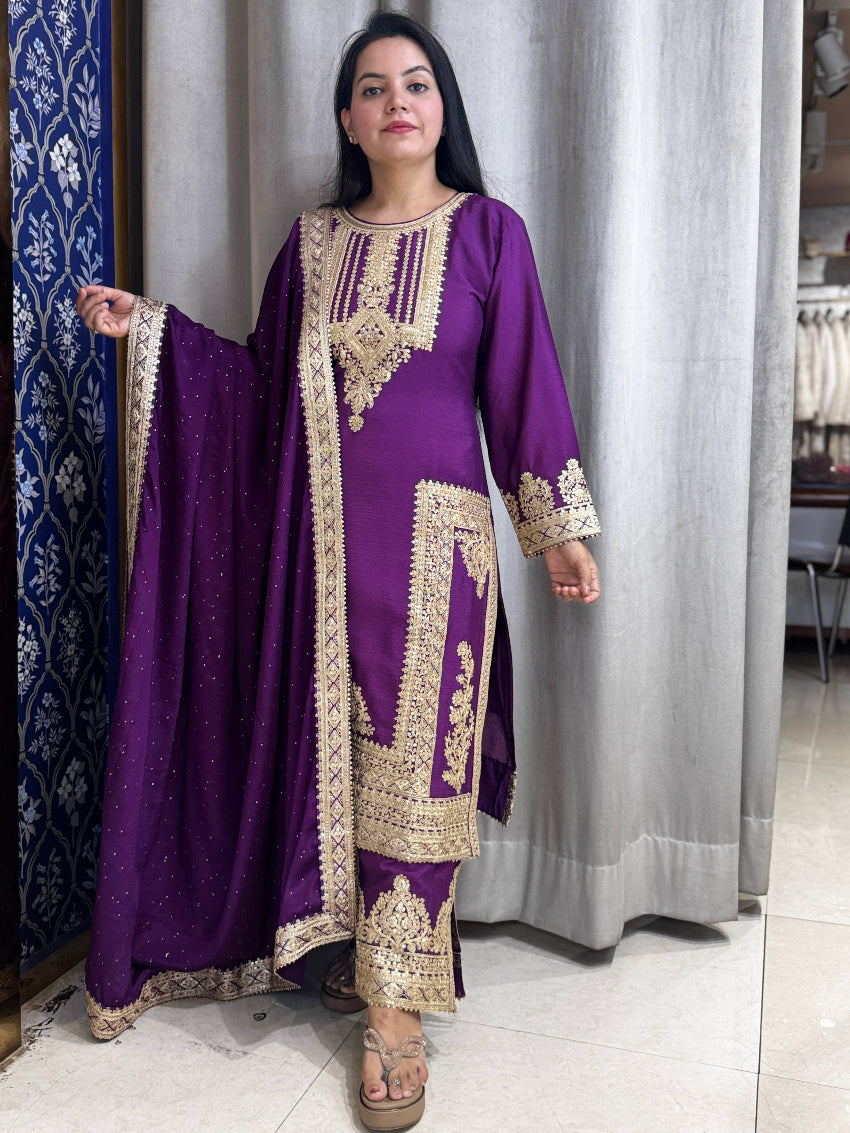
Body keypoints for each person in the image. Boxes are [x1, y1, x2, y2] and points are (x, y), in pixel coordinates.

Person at [77, 11, 600, 1130]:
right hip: (312, 550)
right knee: (333, 760)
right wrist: (156, 331)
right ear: (348, 121)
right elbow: (260, 388)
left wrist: (556, 526)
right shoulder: (312, 244)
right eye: (371, 88)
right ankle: (347, 951)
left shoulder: (488, 233)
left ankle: (397, 1010)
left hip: (440, 550)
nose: (395, 101)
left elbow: (524, 387)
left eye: (416, 83)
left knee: (416, 776)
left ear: (442, 109)